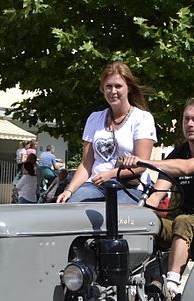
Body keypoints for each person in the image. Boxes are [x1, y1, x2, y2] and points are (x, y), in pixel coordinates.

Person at [120, 98, 194, 299]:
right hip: (182, 215)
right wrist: (143, 213)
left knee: (183, 222)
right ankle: (131, 281)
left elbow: (187, 167)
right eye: (186, 119)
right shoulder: (181, 151)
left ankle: (171, 288)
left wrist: (141, 161)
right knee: (146, 222)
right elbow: (160, 187)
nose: (189, 124)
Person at [56, 61, 157, 204]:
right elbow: (86, 164)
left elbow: (142, 165)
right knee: (74, 206)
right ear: (102, 89)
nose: (113, 91)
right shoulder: (94, 118)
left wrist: (110, 174)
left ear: (129, 88)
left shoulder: (142, 118)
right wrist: (69, 190)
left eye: (118, 86)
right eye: (108, 86)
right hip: (95, 184)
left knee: (113, 214)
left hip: (129, 186)